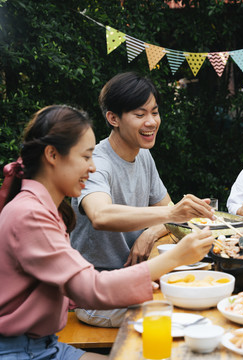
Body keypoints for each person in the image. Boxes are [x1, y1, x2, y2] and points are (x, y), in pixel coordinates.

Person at [0, 105, 214, 360]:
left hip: (47, 345)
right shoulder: (30, 214)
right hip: (20, 351)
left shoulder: (46, 208)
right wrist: (175, 257)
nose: (92, 168)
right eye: (86, 156)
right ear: (52, 155)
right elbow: (90, 289)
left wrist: (137, 277)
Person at [70, 72, 215, 327]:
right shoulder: (96, 164)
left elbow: (167, 210)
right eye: (139, 115)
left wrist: (150, 233)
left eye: (155, 112)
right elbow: (101, 216)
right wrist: (171, 216)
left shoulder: (143, 155)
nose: (151, 122)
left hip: (133, 279)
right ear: (113, 118)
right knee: (187, 317)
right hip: (95, 294)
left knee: (205, 295)